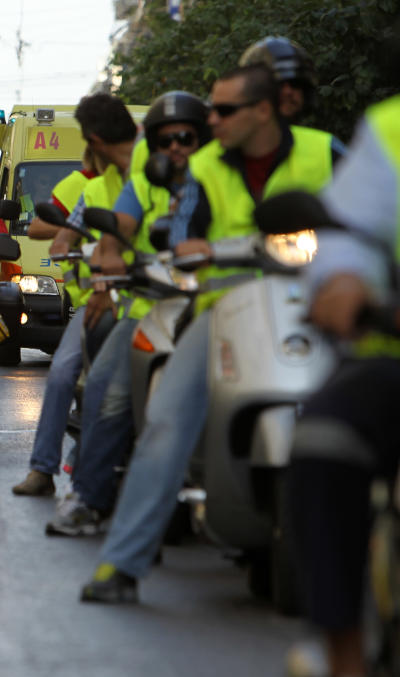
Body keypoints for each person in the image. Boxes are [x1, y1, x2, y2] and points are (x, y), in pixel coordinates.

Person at [79, 64, 341, 603]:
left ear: (263, 110)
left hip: (321, 306)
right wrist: (187, 247)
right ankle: (121, 564)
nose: (212, 119)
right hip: (224, 308)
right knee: (166, 421)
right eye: (213, 110)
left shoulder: (326, 152)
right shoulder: (202, 167)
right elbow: (184, 231)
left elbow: (365, 219)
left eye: (223, 111)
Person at [45, 91, 210, 535]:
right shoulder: (142, 178)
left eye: (186, 137)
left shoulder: (217, 169)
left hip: (226, 303)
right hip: (153, 302)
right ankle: (90, 496)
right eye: (164, 139)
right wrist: (106, 267)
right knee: (103, 386)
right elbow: (118, 229)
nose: (174, 148)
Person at [282, 94, 400, 677]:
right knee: (324, 435)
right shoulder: (390, 128)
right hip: (392, 359)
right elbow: (350, 231)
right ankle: (343, 653)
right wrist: (345, 280)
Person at [11, 95, 136, 497]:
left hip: (159, 294)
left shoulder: (155, 171)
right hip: (100, 299)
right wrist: (75, 247)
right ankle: (44, 469)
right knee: (64, 372)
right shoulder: (94, 186)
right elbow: (58, 236)